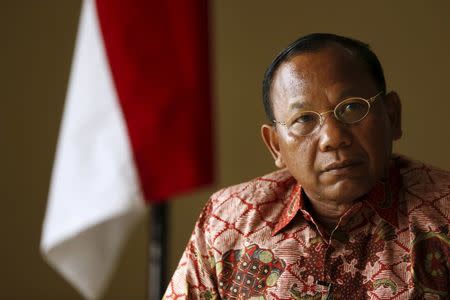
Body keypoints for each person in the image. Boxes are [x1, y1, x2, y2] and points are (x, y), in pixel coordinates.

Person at [163, 33, 449, 299]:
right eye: (304, 119)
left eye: (351, 107)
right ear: (275, 145)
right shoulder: (228, 220)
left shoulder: (443, 213)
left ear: (392, 116)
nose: (333, 138)